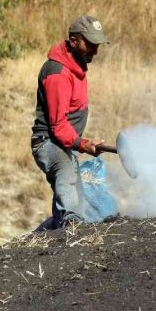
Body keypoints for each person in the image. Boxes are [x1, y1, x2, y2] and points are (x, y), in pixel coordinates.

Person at [30, 15, 109, 230]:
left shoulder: (76, 65)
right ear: (73, 41)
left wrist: (82, 144)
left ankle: (46, 233)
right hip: (48, 142)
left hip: (61, 143)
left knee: (76, 198)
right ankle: (71, 228)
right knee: (67, 182)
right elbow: (58, 125)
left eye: (97, 45)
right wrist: (83, 144)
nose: (95, 51)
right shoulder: (58, 73)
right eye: (90, 45)